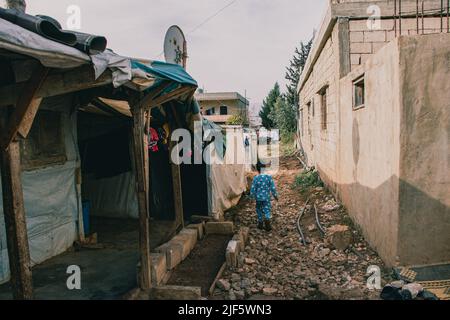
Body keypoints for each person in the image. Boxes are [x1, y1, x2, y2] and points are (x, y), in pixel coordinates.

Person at [250, 162, 279, 231]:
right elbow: (273, 188)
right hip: (266, 197)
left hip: (258, 198)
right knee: (267, 209)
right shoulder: (268, 177)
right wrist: (275, 196)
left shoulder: (256, 178)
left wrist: (251, 197)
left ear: (257, 170)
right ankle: (267, 221)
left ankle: (260, 223)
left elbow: (253, 188)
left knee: (259, 209)